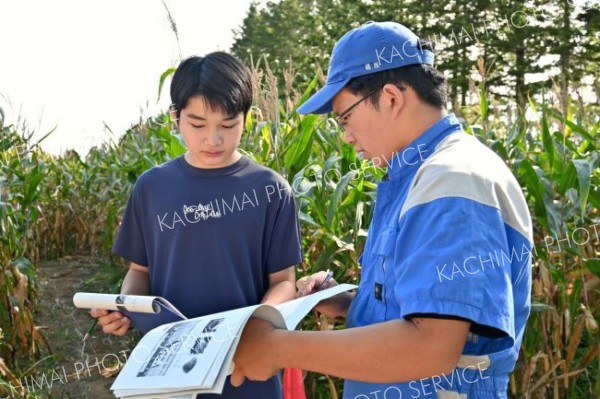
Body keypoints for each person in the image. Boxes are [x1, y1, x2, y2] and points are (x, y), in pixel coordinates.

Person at [231, 21, 533, 399]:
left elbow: (431, 347)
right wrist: (352, 304)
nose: (347, 136)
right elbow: (428, 308)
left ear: (391, 97)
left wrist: (276, 347)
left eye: (345, 117)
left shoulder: (452, 179)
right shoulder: (419, 174)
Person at [90, 52, 303, 398]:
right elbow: (139, 271)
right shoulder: (151, 187)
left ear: (246, 118)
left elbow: (283, 282)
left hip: (246, 368)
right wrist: (128, 307)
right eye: (198, 124)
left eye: (228, 125)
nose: (213, 140)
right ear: (176, 118)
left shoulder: (271, 190)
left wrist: (253, 331)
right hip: (169, 372)